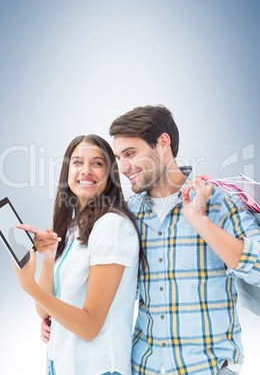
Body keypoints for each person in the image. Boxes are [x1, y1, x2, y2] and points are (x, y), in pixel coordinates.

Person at [108, 105, 260, 375]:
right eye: (119, 157)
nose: (123, 167)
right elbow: (113, 292)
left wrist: (199, 220)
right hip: (144, 367)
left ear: (162, 143)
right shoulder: (128, 215)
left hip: (209, 368)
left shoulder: (219, 203)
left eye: (130, 154)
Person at [13, 134, 144, 375]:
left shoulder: (112, 226)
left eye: (97, 163)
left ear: (110, 174)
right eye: (77, 162)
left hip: (97, 367)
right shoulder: (75, 226)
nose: (86, 170)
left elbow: (89, 327)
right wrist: (49, 258)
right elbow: (44, 311)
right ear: (67, 170)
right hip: (60, 362)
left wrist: (28, 285)